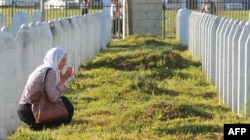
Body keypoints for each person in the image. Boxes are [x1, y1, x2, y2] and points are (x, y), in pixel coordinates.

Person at [17, 47, 75, 130]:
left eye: (65, 60)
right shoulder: (50, 71)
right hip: (32, 110)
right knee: (67, 106)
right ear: (55, 59)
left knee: (64, 101)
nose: (65, 63)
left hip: (24, 109)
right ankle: (42, 125)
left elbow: (51, 94)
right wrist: (63, 80)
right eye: (62, 60)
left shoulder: (42, 68)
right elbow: (53, 98)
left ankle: (39, 125)